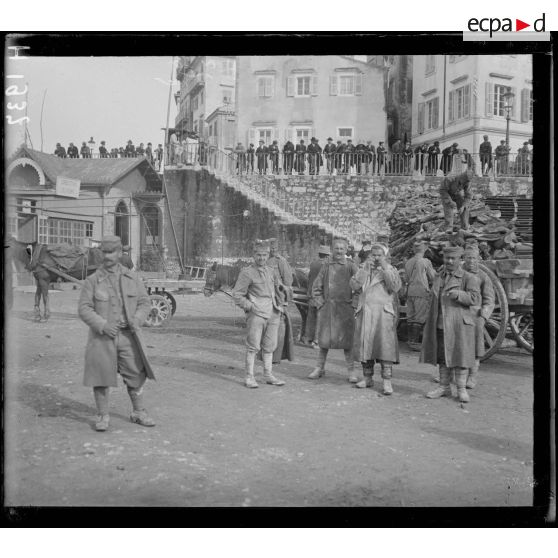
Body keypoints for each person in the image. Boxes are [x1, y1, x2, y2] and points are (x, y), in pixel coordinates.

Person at [78, 235, 156, 431]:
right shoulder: (92, 281)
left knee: (135, 374)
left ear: (120, 253)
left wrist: (137, 320)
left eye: (111, 252)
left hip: (129, 337)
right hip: (102, 338)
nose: (107, 256)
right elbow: (84, 308)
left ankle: (138, 412)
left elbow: (145, 303)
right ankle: (103, 415)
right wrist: (103, 325)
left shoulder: (133, 278)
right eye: (104, 252)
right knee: (101, 377)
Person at [421, 245, 481, 403]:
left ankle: (461, 389)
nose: (449, 261)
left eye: (453, 258)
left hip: (459, 325)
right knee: (442, 357)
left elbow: (476, 299)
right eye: (447, 258)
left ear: (460, 260)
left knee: (460, 357)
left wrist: (460, 295)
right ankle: (444, 387)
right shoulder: (438, 276)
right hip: (441, 324)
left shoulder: (469, 278)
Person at [232, 239, 286, 388]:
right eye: (259, 255)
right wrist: (250, 306)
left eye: (264, 255)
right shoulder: (247, 273)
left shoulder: (271, 271)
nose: (262, 258)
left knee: (270, 346)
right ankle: (249, 376)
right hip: (256, 314)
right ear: (253, 255)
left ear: (268, 255)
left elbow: (277, 289)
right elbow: (237, 294)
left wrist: (282, 297)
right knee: (253, 346)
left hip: (273, 312)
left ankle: (268, 374)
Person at [351, 243, 402, 394]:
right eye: (373, 255)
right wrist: (364, 271)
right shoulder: (363, 269)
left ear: (385, 257)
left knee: (384, 348)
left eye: (379, 255)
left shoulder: (390, 270)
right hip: (366, 313)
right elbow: (353, 286)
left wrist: (385, 267)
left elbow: (395, 287)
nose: (376, 258)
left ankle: (387, 381)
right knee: (366, 347)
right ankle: (367, 378)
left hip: (383, 315)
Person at [309, 238, 359, 383]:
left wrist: (354, 305)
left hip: (346, 309)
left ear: (346, 250)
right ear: (332, 249)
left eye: (341, 249)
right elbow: (316, 286)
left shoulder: (351, 266)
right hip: (328, 309)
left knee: (347, 342)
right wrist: (320, 304)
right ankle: (319, 368)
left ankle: (351, 371)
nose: (339, 251)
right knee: (324, 341)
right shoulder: (326, 265)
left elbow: (359, 286)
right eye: (336, 248)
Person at [462, 246, 495, 390]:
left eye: (474, 258)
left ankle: (472, 377)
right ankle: (451, 375)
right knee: (456, 346)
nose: (471, 261)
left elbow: (489, 300)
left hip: (475, 317)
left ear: (479, 259)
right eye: (468, 257)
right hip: (458, 316)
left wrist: (483, 317)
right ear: (463, 258)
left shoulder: (483, 276)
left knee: (475, 349)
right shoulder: (458, 273)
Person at [403, 241, 436, 351]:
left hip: (410, 291)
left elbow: (406, 279)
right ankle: (416, 343)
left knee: (410, 316)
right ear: (425, 249)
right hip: (421, 291)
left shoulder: (408, 262)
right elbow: (432, 277)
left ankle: (410, 341)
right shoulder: (426, 262)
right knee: (419, 316)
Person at [305, 244, 330, 347]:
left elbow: (309, 277)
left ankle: (307, 338)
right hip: (320, 296)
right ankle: (316, 341)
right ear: (327, 255)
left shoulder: (313, 263)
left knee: (311, 317)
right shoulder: (327, 266)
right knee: (320, 319)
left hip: (311, 294)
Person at [439, 168, 474, 232]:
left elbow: (469, 195)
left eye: (467, 181)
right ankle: (448, 227)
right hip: (447, 194)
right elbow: (442, 190)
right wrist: (450, 201)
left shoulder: (467, 182)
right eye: (464, 181)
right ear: (461, 177)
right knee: (448, 209)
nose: (465, 183)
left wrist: (463, 206)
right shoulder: (450, 178)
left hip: (457, 193)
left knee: (465, 207)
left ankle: (465, 226)